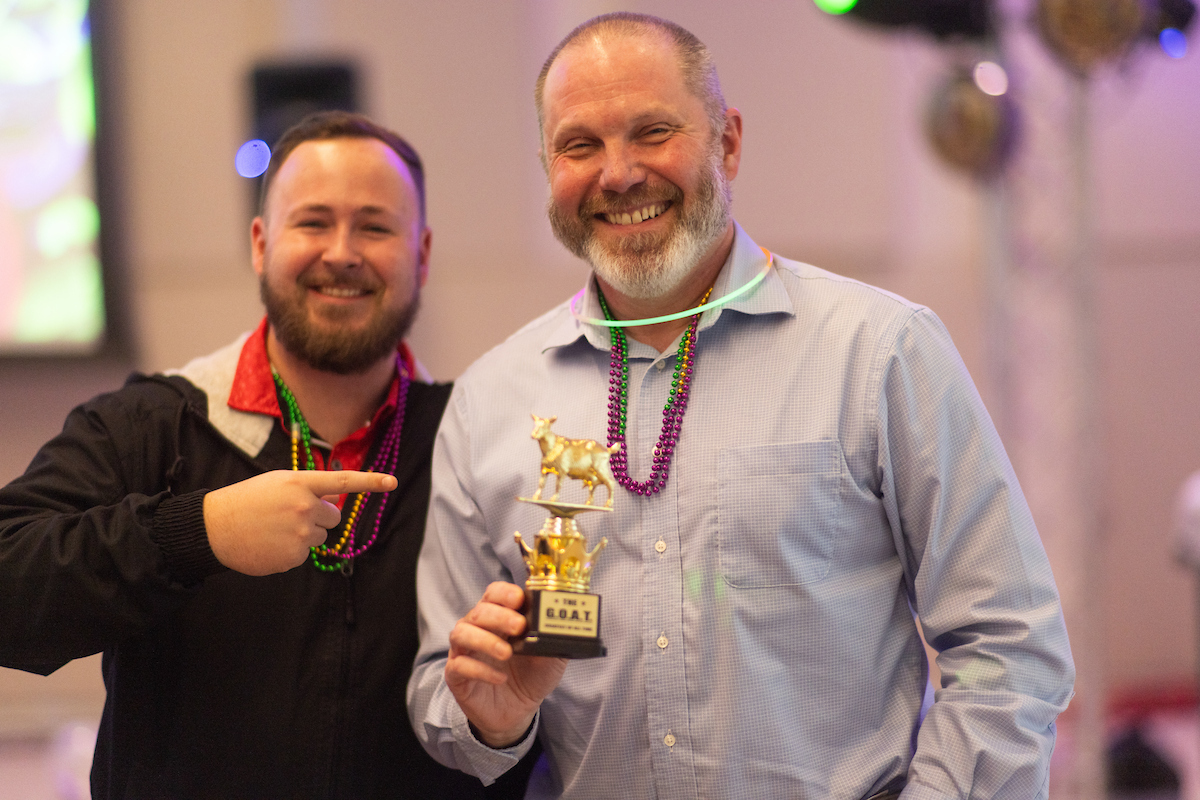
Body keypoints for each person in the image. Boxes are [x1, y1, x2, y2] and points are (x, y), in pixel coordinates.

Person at [408, 14, 1075, 800]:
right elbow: (440, 702)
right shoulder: (490, 401)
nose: (618, 174)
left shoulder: (879, 352)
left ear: (727, 142)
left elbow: (1008, 647)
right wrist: (493, 718)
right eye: (579, 145)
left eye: (652, 131)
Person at [0, 111, 534, 799]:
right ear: (261, 243)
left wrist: (504, 727)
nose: (342, 252)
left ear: (422, 253)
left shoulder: (481, 446)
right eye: (313, 222)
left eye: (374, 226)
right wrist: (196, 533)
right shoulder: (149, 426)